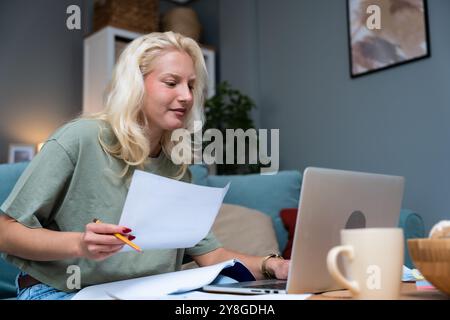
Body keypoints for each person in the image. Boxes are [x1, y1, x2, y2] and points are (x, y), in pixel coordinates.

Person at [0, 31, 289, 300]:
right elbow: (5, 232)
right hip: (57, 291)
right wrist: (80, 245)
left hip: (140, 293)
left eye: (191, 85)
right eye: (172, 82)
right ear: (136, 85)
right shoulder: (81, 138)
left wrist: (272, 266)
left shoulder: (177, 168)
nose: (187, 96)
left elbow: (212, 256)